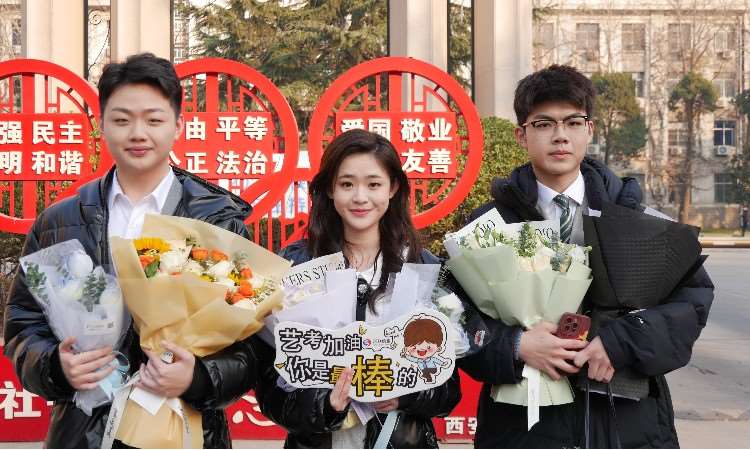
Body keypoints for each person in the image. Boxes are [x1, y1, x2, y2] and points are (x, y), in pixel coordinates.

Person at [3, 53, 262, 448]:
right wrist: (57, 366)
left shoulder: (216, 222)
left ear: (178, 125)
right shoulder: (59, 222)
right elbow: (23, 326)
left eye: (154, 120)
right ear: (102, 125)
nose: (138, 134)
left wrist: (198, 377)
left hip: (186, 430)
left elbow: (253, 343)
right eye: (122, 120)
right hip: (85, 433)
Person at [456, 64, 714, 448]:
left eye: (573, 122)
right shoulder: (489, 225)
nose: (560, 135)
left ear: (589, 130)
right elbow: (452, 316)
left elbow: (692, 301)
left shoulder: (634, 217)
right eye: (544, 124)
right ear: (521, 135)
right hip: (523, 426)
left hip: (623, 422)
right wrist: (514, 345)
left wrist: (624, 340)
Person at [254, 129, 461, 448]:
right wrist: (325, 405)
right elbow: (270, 386)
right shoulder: (296, 268)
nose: (360, 197)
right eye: (347, 184)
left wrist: (407, 394)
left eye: (374, 184)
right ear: (330, 189)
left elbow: (448, 387)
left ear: (393, 188)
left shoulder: (422, 269)